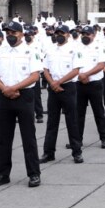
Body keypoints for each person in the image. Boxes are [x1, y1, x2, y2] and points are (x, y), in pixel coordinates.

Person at [0, 21, 42, 187]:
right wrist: (5, 90)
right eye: (8, 32)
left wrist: (14, 88)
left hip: (24, 95)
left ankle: (33, 174)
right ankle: (3, 173)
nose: (10, 35)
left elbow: (34, 76)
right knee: (3, 137)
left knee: (28, 137)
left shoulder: (31, 51)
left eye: (13, 32)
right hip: (4, 95)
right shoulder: (0, 50)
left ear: (22, 34)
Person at [41, 25, 85, 164]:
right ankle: (49, 152)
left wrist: (58, 82)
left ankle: (76, 152)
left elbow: (76, 70)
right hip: (53, 88)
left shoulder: (75, 49)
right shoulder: (50, 49)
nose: (59, 35)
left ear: (68, 35)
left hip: (68, 86)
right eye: (57, 33)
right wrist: (52, 83)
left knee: (72, 121)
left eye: (62, 33)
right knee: (52, 122)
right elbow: (45, 69)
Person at [76, 26, 105, 149]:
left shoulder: (100, 47)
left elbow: (101, 65)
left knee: (99, 112)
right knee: (79, 113)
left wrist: (86, 74)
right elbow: (72, 65)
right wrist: (80, 75)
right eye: (83, 34)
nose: (85, 36)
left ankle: (104, 138)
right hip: (79, 83)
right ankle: (77, 140)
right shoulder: (76, 47)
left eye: (87, 34)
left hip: (94, 83)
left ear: (93, 35)